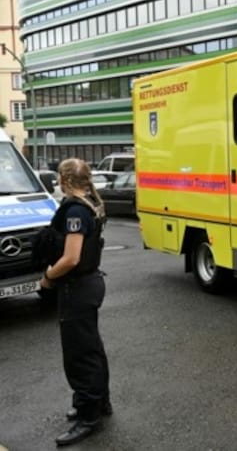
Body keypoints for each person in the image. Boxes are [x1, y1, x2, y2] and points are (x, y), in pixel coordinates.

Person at [39, 158, 111, 446]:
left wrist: (47, 276)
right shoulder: (90, 203)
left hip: (77, 288)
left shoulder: (76, 210)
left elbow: (71, 258)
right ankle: (97, 402)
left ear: (64, 179)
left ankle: (88, 417)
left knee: (80, 355)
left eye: (58, 177)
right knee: (92, 348)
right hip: (89, 285)